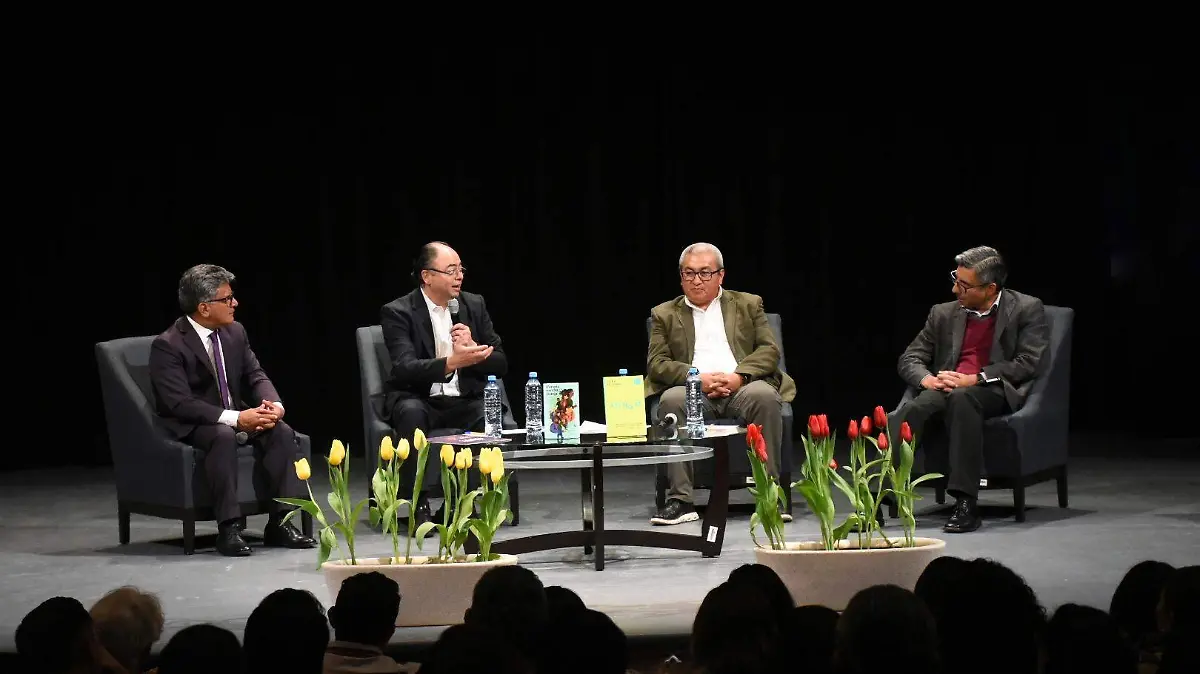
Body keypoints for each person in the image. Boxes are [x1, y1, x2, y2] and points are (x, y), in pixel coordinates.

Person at [149, 264, 316, 556]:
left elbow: (255, 374)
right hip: (193, 424)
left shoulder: (234, 332)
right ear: (203, 307)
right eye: (227, 299)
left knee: (280, 430)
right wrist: (237, 419)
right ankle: (229, 528)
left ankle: (281, 522)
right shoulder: (168, 345)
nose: (235, 303)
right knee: (222, 437)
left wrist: (273, 405)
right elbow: (179, 403)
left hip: (234, 415)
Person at [895, 245, 1049, 533]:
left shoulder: (1026, 309)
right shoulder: (942, 313)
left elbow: (1028, 362)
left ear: (990, 288)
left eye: (964, 285)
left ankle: (966, 503)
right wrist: (927, 380)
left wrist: (977, 377)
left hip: (992, 389)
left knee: (964, 399)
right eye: (955, 279)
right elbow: (910, 358)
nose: (955, 290)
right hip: (946, 386)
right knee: (914, 408)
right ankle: (884, 494)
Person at [646, 242, 796, 526]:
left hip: (742, 386)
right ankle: (681, 500)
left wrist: (738, 377)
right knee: (671, 401)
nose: (696, 280)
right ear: (680, 277)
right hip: (693, 389)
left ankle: (769, 495)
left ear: (721, 275)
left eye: (705, 273)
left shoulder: (749, 304)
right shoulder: (664, 313)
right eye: (688, 273)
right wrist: (696, 378)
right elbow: (658, 363)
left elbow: (768, 351)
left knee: (765, 396)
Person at [379, 241, 507, 530]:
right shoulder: (398, 311)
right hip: (419, 398)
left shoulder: (473, 305)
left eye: (461, 269)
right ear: (427, 276)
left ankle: (467, 500)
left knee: (489, 411)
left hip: (464, 400)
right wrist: (451, 362)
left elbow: (501, 363)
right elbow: (403, 367)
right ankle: (416, 500)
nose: (459, 276)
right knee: (411, 413)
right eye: (451, 270)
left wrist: (475, 350)